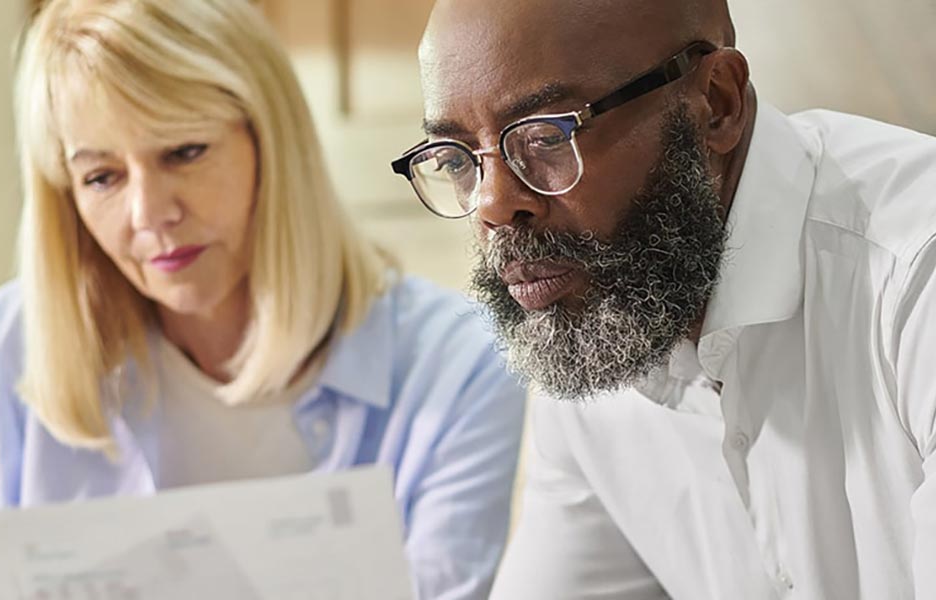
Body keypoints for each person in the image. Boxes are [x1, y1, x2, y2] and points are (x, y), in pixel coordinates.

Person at [0, 1, 526, 599]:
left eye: (184, 151)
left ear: (269, 143)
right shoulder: (16, 340)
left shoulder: (457, 365)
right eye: (101, 177)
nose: (149, 214)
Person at [392, 0, 936, 597]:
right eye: (454, 159)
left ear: (717, 103)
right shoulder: (593, 324)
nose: (494, 206)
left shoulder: (913, 274)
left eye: (546, 136)